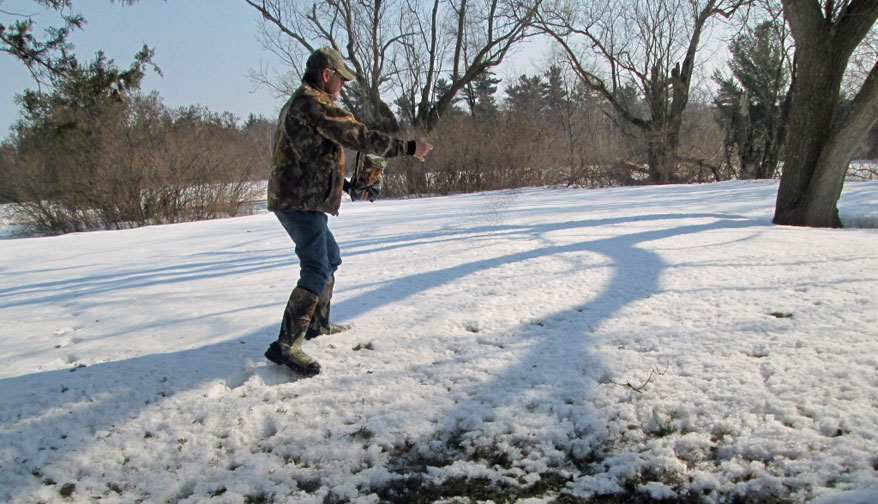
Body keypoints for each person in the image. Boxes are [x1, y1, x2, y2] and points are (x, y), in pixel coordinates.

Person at [264, 46, 433, 376]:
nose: (342, 86)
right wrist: (410, 148)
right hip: (299, 202)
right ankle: (286, 344)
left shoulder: (303, 104)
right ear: (326, 76)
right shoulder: (313, 103)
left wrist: (349, 185)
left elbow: (311, 161)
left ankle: (317, 325)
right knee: (316, 267)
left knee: (331, 258)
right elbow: (361, 137)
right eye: (340, 79)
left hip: (302, 197)